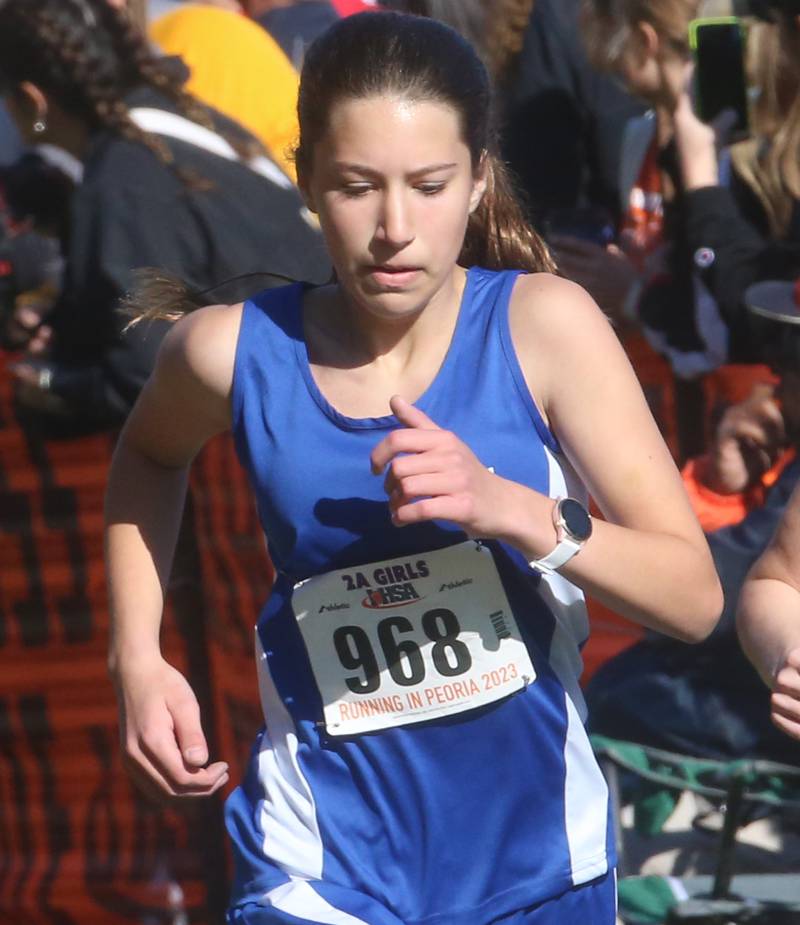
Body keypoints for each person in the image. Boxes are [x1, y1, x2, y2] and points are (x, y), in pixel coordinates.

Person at [105, 12, 721, 924]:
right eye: (358, 187)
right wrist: (137, 657)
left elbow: (695, 597)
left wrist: (511, 507)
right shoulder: (230, 352)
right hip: (322, 864)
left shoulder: (546, 327)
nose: (395, 227)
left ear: (478, 181)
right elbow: (148, 458)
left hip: (537, 862)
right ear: (307, 175)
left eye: (429, 186)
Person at [0, 0, 328, 432]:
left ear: (32, 101)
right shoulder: (178, 120)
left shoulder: (125, 175)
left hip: (288, 414)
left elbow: (143, 375)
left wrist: (47, 383)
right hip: (321, 373)